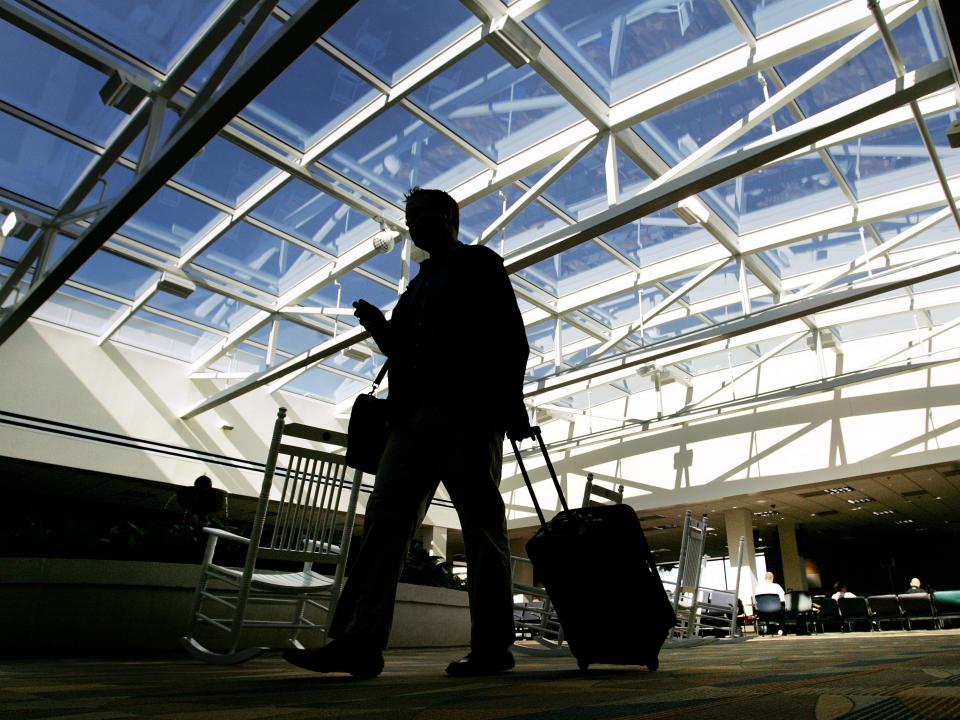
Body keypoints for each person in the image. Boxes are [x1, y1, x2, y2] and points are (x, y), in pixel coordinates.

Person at [283, 187, 530, 679]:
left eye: (420, 214)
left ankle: (491, 647)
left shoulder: (479, 263)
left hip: (466, 412)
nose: (412, 225)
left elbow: (509, 336)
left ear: (448, 216)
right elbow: (402, 349)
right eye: (408, 217)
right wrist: (379, 326)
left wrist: (510, 402)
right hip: (409, 419)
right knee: (383, 526)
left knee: (481, 530)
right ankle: (358, 641)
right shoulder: (415, 288)